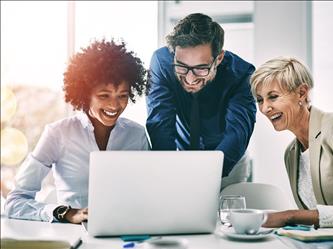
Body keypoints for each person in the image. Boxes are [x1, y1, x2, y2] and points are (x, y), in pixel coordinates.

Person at [4, 39, 150, 224]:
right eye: (104, 96)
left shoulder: (136, 135)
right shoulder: (58, 133)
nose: (114, 105)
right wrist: (67, 213)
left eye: (123, 96)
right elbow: (15, 202)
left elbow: (148, 193)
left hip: (127, 230)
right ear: (84, 94)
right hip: (75, 235)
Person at [250, 56, 333, 230]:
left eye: (273, 97)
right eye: (260, 100)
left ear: (301, 93)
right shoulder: (291, 154)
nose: (264, 108)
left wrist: (290, 216)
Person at [146, 13, 257, 188]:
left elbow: (237, 134)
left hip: (228, 161)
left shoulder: (243, 75)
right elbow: (160, 123)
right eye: (182, 67)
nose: (190, 79)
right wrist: (166, 169)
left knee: (224, 212)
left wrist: (204, 177)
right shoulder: (161, 62)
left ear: (218, 58)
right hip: (179, 156)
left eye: (201, 68)